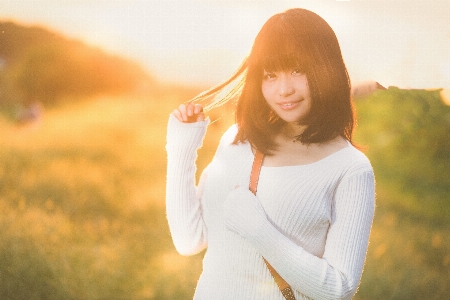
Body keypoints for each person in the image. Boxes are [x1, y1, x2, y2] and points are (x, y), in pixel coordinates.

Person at [166, 8, 375, 300]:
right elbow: (189, 240)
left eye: (298, 70)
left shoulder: (349, 168)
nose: (284, 89)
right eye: (270, 75)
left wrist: (258, 230)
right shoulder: (238, 141)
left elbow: (338, 289)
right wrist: (181, 148)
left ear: (326, 69)